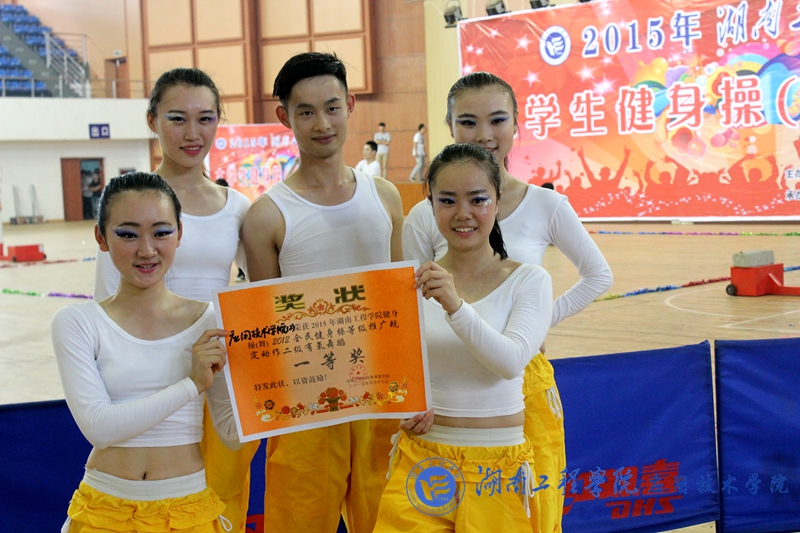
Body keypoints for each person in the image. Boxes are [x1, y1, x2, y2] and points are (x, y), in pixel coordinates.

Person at [402, 72, 613, 533]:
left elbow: (598, 275)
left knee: (535, 512)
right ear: (450, 126)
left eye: (497, 120)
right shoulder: (424, 214)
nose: (484, 134)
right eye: (468, 122)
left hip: (522, 384)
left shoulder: (545, 204)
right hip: (445, 391)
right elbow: (410, 311)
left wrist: (535, 324)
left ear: (517, 123)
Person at [241, 51, 405, 533]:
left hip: (384, 395)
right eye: (306, 112)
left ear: (350, 105)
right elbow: (265, 324)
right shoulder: (267, 215)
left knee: (390, 522)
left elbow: (401, 302)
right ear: (284, 117)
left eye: (332, 107)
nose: (322, 124)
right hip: (306, 406)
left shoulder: (385, 197)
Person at [93, 68, 257, 533]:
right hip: (151, 380)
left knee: (223, 502)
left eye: (205, 118)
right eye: (177, 118)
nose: (192, 133)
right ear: (152, 120)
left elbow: (263, 294)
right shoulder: (129, 202)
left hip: (221, 373)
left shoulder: (237, 207)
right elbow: (105, 297)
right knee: (153, 502)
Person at [374, 143, 552, 532]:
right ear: (431, 205)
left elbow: (510, 362)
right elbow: (389, 375)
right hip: (423, 462)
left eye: (477, 199)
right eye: (447, 200)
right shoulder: (408, 285)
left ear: (498, 201)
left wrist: (456, 306)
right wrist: (402, 409)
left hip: (497, 465)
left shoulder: (529, 280)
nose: (463, 213)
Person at [52, 172, 240, 533]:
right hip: (106, 510)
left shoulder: (212, 320)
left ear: (180, 234)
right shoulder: (77, 322)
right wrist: (191, 384)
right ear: (101, 237)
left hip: (188, 508)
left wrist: (284, 389)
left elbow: (232, 433)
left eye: (161, 232)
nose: (147, 250)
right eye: (128, 234)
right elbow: (100, 428)